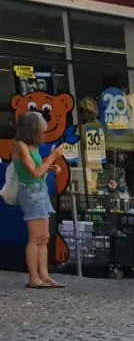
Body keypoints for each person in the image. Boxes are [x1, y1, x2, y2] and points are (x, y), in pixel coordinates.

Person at [11, 111, 66, 289]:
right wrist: (52, 157)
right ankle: (33, 277)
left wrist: (50, 167)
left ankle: (44, 276)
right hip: (30, 193)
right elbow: (33, 172)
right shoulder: (20, 146)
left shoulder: (32, 146)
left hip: (40, 190)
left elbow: (38, 168)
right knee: (36, 238)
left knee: (44, 237)